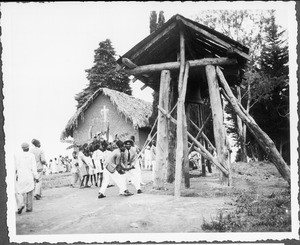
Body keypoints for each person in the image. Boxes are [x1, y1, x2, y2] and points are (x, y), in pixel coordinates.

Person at [15, 142, 38, 213]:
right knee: (29, 191)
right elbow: (34, 168)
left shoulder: (18, 156)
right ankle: (29, 208)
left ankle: (20, 205)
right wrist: (36, 177)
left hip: (21, 176)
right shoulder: (31, 155)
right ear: (28, 148)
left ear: (22, 148)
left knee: (20, 191)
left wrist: (16, 175)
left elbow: (16, 167)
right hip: (29, 176)